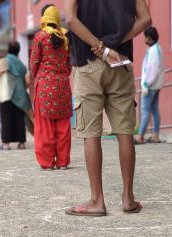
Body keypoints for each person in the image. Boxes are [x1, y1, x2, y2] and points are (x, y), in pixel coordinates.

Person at [64, 0, 152, 216]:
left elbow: (70, 19)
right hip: (120, 61)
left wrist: (102, 48)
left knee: (91, 133)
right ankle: (128, 198)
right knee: (124, 132)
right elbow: (146, 19)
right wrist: (115, 42)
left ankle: (97, 200)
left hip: (88, 61)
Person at [30, 5, 72, 170]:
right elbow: (69, 65)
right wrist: (61, 74)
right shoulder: (65, 38)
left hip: (46, 87)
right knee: (63, 126)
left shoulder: (40, 37)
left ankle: (47, 163)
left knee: (45, 127)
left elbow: (34, 63)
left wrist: (39, 75)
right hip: (63, 86)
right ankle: (63, 162)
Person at [0, 41, 32, 150]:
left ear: (8, 49)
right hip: (20, 96)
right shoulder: (22, 64)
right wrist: (22, 88)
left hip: (6, 94)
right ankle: (21, 143)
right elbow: (28, 81)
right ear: (18, 51)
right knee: (19, 119)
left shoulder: (4, 61)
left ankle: (6, 144)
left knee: (6, 119)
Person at [137, 27, 164, 144]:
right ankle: (155, 136)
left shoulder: (153, 51)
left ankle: (140, 136)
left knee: (145, 110)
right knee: (154, 110)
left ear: (149, 38)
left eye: (145, 36)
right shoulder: (157, 49)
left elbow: (152, 70)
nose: (144, 39)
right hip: (156, 85)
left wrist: (146, 84)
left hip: (150, 85)